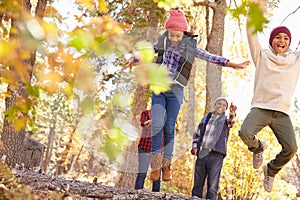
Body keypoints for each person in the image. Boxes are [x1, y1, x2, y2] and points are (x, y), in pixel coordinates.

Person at [127, 8, 250, 182]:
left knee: (169, 126)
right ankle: (155, 163)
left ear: (184, 33)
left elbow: (210, 57)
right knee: (156, 123)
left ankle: (166, 165)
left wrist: (232, 64)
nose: (174, 39)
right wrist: (135, 58)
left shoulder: (191, 47)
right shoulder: (163, 42)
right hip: (159, 87)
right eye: (171, 35)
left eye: (178, 35)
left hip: (176, 90)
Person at [239, 0, 300, 193]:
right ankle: (258, 148)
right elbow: (251, 32)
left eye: (285, 39)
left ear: (289, 42)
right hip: (261, 107)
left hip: (281, 113)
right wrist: (255, 10)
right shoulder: (262, 55)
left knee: (291, 149)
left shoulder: (296, 60)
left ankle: (271, 170)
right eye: (277, 37)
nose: (281, 41)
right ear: (271, 40)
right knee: (245, 133)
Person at [190, 97, 237, 200]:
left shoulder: (225, 120)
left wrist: (232, 112)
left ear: (226, 109)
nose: (221, 106)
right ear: (215, 105)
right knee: (198, 183)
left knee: (212, 186)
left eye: (224, 105)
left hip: (216, 155)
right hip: (202, 152)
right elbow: (197, 134)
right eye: (219, 104)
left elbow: (232, 122)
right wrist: (195, 146)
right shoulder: (206, 117)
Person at [134, 109, 162, 192]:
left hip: (158, 150)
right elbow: (143, 123)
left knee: (156, 176)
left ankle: (156, 196)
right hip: (144, 147)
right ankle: (137, 194)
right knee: (142, 172)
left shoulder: (165, 116)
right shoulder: (146, 113)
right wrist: (150, 122)